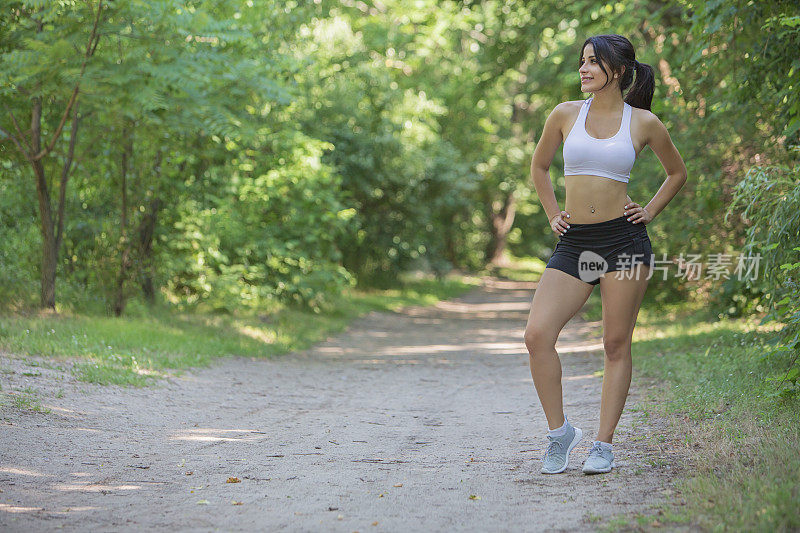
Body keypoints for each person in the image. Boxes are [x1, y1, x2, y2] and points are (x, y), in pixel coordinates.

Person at [524, 34, 687, 475]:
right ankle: (561, 434)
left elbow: (677, 172)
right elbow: (539, 167)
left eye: (593, 62)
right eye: (583, 62)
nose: (584, 69)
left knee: (615, 344)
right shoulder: (564, 115)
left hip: (625, 242)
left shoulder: (644, 122)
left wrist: (648, 211)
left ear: (616, 69)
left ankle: (603, 444)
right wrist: (553, 212)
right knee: (537, 335)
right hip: (575, 243)